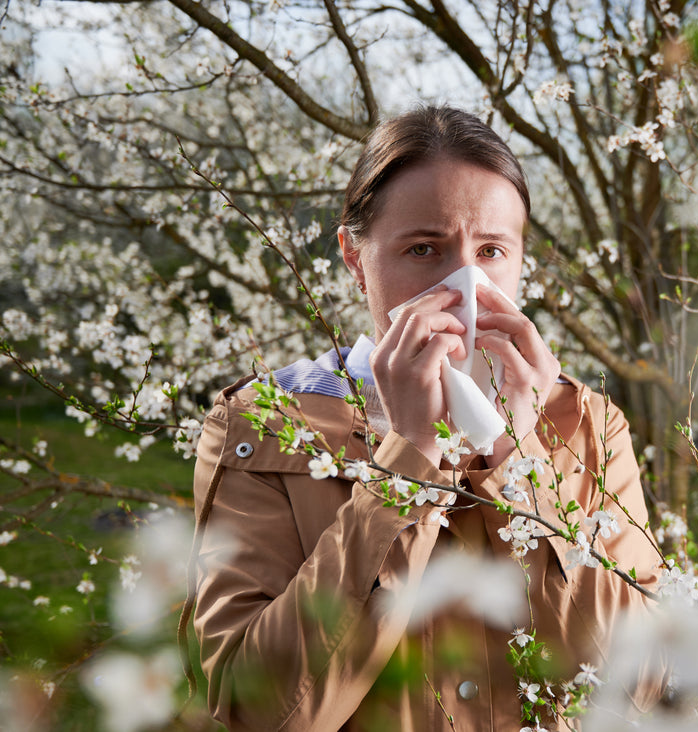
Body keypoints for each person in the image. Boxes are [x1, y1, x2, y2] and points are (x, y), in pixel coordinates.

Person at [187, 106, 663, 731]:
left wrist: (524, 460)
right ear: (355, 258)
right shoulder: (265, 424)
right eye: (422, 248)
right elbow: (253, 708)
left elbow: (636, 692)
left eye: (491, 250)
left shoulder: (589, 424)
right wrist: (407, 461)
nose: (462, 283)